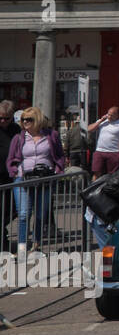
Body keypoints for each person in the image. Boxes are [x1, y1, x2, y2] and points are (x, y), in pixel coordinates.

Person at [6, 107, 66, 252]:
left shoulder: (52, 136)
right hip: (23, 178)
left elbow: (59, 155)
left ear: (37, 120)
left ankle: (36, 245)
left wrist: (57, 170)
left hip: (44, 179)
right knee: (23, 214)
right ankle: (21, 247)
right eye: (23, 119)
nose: (25, 122)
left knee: (40, 214)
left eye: (29, 119)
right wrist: (13, 171)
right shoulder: (18, 138)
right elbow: (11, 158)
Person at [87, 106, 119, 178]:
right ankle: (95, 187)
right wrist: (101, 120)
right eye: (108, 114)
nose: (109, 116)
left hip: (113, 152)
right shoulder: (103, 122)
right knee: (96, 172)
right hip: (100, 151)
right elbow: (89, 129)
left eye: (111, 115)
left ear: (117, 115)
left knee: (113, 175)